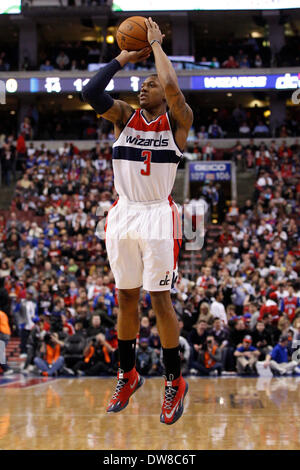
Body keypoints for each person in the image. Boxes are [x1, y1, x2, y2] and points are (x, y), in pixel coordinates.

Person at [82, 17, 193, 425]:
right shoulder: (123, 116)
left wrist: (157, 46)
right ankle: (127, 372)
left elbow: (174, 89)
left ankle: (174, 381)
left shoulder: (177, 120)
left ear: (160, 93)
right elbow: (90, 91)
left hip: (157, 215)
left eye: (148, 84)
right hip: (123, 212)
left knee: (159, 299)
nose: (141, 88)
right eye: (140, 85)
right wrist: (122, 58)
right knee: (126, 296)